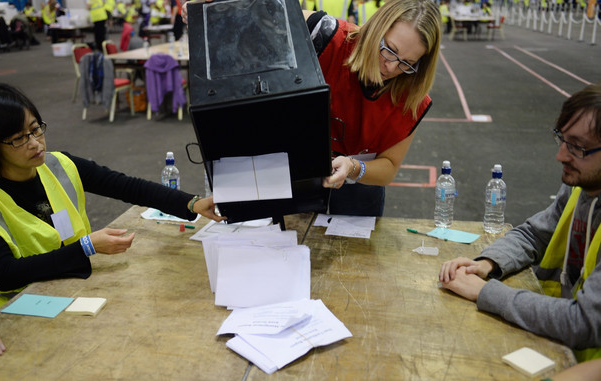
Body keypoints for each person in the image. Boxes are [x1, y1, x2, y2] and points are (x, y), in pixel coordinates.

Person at [182, 0, 441, 217]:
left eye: (407, 63)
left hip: (357, 197)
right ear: (375, 28)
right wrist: (212, 11)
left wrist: (353, 168)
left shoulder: (411, 96)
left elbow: (389, 167)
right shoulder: (326, 34)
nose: (391, 68)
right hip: (295, 180)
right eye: (389, 50)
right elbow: (263, 9)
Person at [0, 83, 226, 318]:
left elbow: (126, 186)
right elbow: (4, 274)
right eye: (19, 138)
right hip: (13, 311)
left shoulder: (58, 165)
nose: (35, 143)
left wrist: (191, 203)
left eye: (36, 128)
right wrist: (85, 248)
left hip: (70, 288)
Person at [439, 82, 601, 363]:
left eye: (577, 147)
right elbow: (535, 234)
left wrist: (487, 293)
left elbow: (583, 322)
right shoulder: (583, 186)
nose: (560, 155)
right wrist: (486, 264)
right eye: (561, 139)